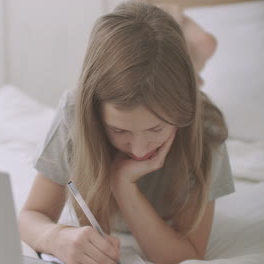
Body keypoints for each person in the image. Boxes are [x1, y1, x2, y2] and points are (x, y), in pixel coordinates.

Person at [18, 1, 234, 264]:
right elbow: (31, 216)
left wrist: (123, 185)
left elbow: (187, 254)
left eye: (156, 128)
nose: (139, 150)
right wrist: (54, 237)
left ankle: (190, 37)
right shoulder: (76, 112)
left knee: (197, 51)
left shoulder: (206, 129)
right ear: (95, 113)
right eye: (118, 130)